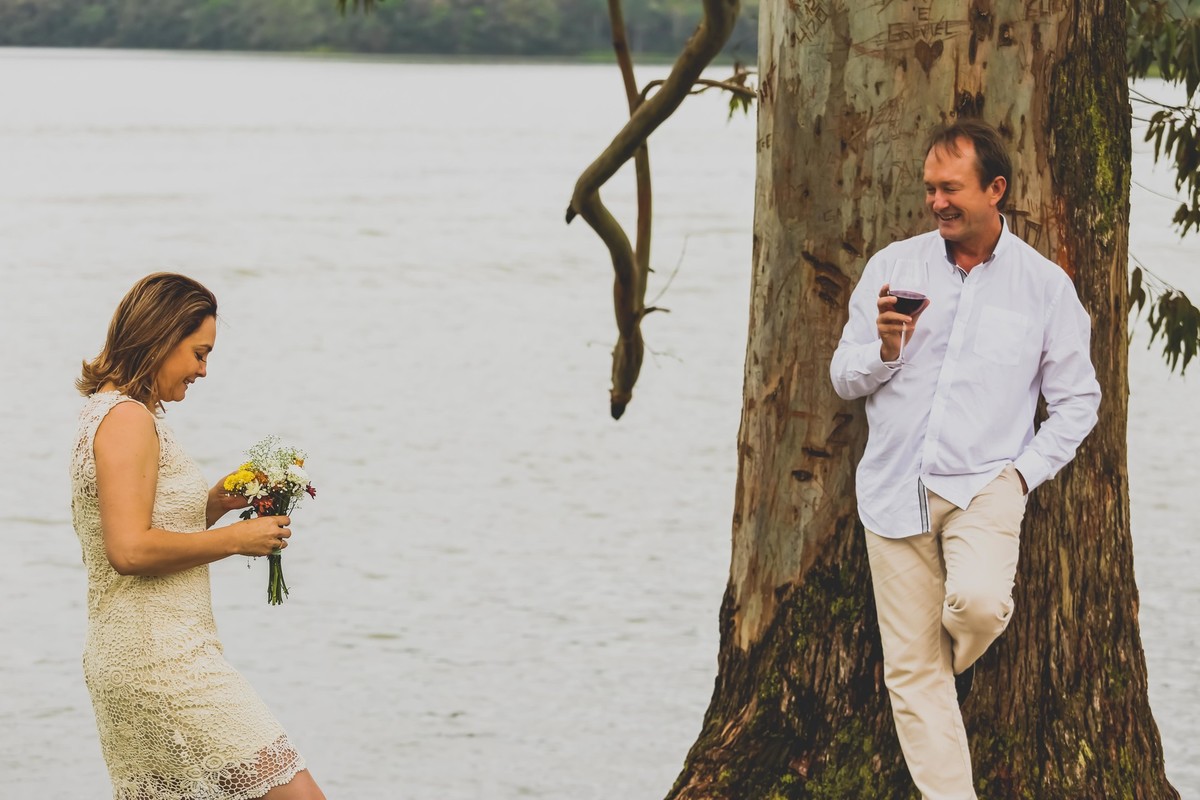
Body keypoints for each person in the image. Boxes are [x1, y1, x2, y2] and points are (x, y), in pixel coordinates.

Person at [829, 120, 1101, 799]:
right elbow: (844, 376)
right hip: (894, 488)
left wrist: (1022, 475)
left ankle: (947, 662)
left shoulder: (1044, 287)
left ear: (995, 189)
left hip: (986, 486)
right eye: (930, 189)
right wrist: (884, 350)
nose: (937, 202)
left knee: (977, 607)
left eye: (950, 188)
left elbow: (1079, 401)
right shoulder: (893, 267)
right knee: (912, 674)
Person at [69, 273, 325, 800]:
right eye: (199, 353)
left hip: (136, 656)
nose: (204, 370)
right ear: (161, 338)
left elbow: (140, 526)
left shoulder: (116, 412)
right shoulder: (127, 420)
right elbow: (129, 550)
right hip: (162, 662)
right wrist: (238, 539)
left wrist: (214, 502)